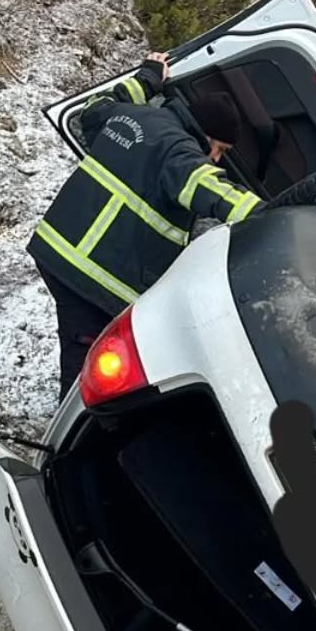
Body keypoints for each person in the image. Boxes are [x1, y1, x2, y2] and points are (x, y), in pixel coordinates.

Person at [27, 51, 264, 401]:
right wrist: (272, 215)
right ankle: (69, 446)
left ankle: (79, 429)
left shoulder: (128, 116)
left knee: (88, 360)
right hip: (93, 276)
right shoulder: (179, 151)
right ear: (206, 134)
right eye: (220, 148)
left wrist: (148, 77)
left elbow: (94, 108)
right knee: (87, 379)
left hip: (59, 252)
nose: (217, 158)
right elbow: (210, 189)